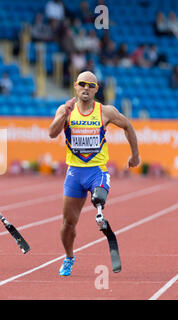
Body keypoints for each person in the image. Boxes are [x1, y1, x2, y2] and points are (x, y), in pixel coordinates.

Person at [48, 71, 140, 276]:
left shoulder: (105, 111)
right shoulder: (65, 110)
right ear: (75, 86)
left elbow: (128, 126)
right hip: (74, 173)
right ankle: (69, 257)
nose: (86, 88)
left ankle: (99, 210)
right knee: (68, 224)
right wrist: (64, 113)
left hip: (97, 171)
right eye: (82, 84)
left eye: (91, 85)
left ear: (97, 89)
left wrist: (135, 156)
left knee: (99, 197)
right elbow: (52, 133)